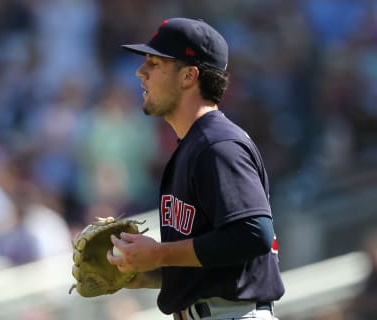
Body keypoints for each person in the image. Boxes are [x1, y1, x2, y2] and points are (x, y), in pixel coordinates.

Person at [107, 17, 285, 320]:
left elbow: (254, 234)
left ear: (188, 76)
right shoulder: (194, 146)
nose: (141, 72)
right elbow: (218, 261)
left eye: (154, 63)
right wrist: (147, 272)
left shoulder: (217, 145)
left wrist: (159, 253)